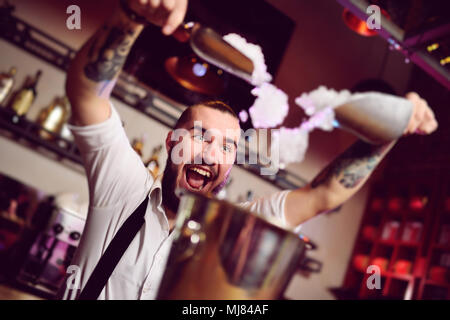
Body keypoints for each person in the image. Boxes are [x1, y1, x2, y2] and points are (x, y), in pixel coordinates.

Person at [59, 0, 438, 300]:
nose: (210, 154)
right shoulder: (123, 188)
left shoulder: (236, 229)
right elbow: (87, 96)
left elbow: (324, 194)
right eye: (201, 136)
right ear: (173, 142)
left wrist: (391, 132)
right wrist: (132, 15)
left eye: (227, 146)